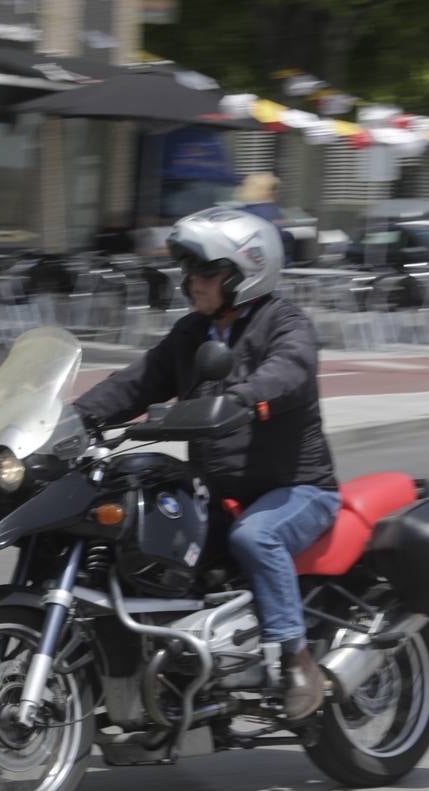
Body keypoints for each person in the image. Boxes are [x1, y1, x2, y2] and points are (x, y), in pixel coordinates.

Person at [73, 207, 340, 720]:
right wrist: (73, 419)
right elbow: (140, 380)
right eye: (188, 272)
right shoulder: (193, 334)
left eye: (204, 272)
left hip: (297, 489)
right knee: (144, 535)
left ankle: (296, 659)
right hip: (219, 491)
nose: (191, 283)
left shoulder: (286, 324)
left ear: (245, 273)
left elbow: (290, 370)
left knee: (254, 538)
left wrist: (244, 398)